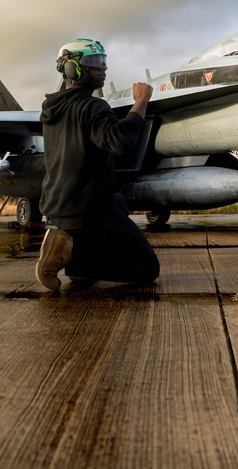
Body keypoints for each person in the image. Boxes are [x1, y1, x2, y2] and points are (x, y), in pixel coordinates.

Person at [35, 38, 160, 292]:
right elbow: (120, 141)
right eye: (94, 62)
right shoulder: (93, 106)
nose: (103, 68)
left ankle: (71, 246)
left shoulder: (52, 109)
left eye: (103, 62)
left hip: (59, 206)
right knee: (146, 268)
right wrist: (141, 102)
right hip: (86, 209)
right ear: (71, 69)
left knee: (119, 203)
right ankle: (71, 256)